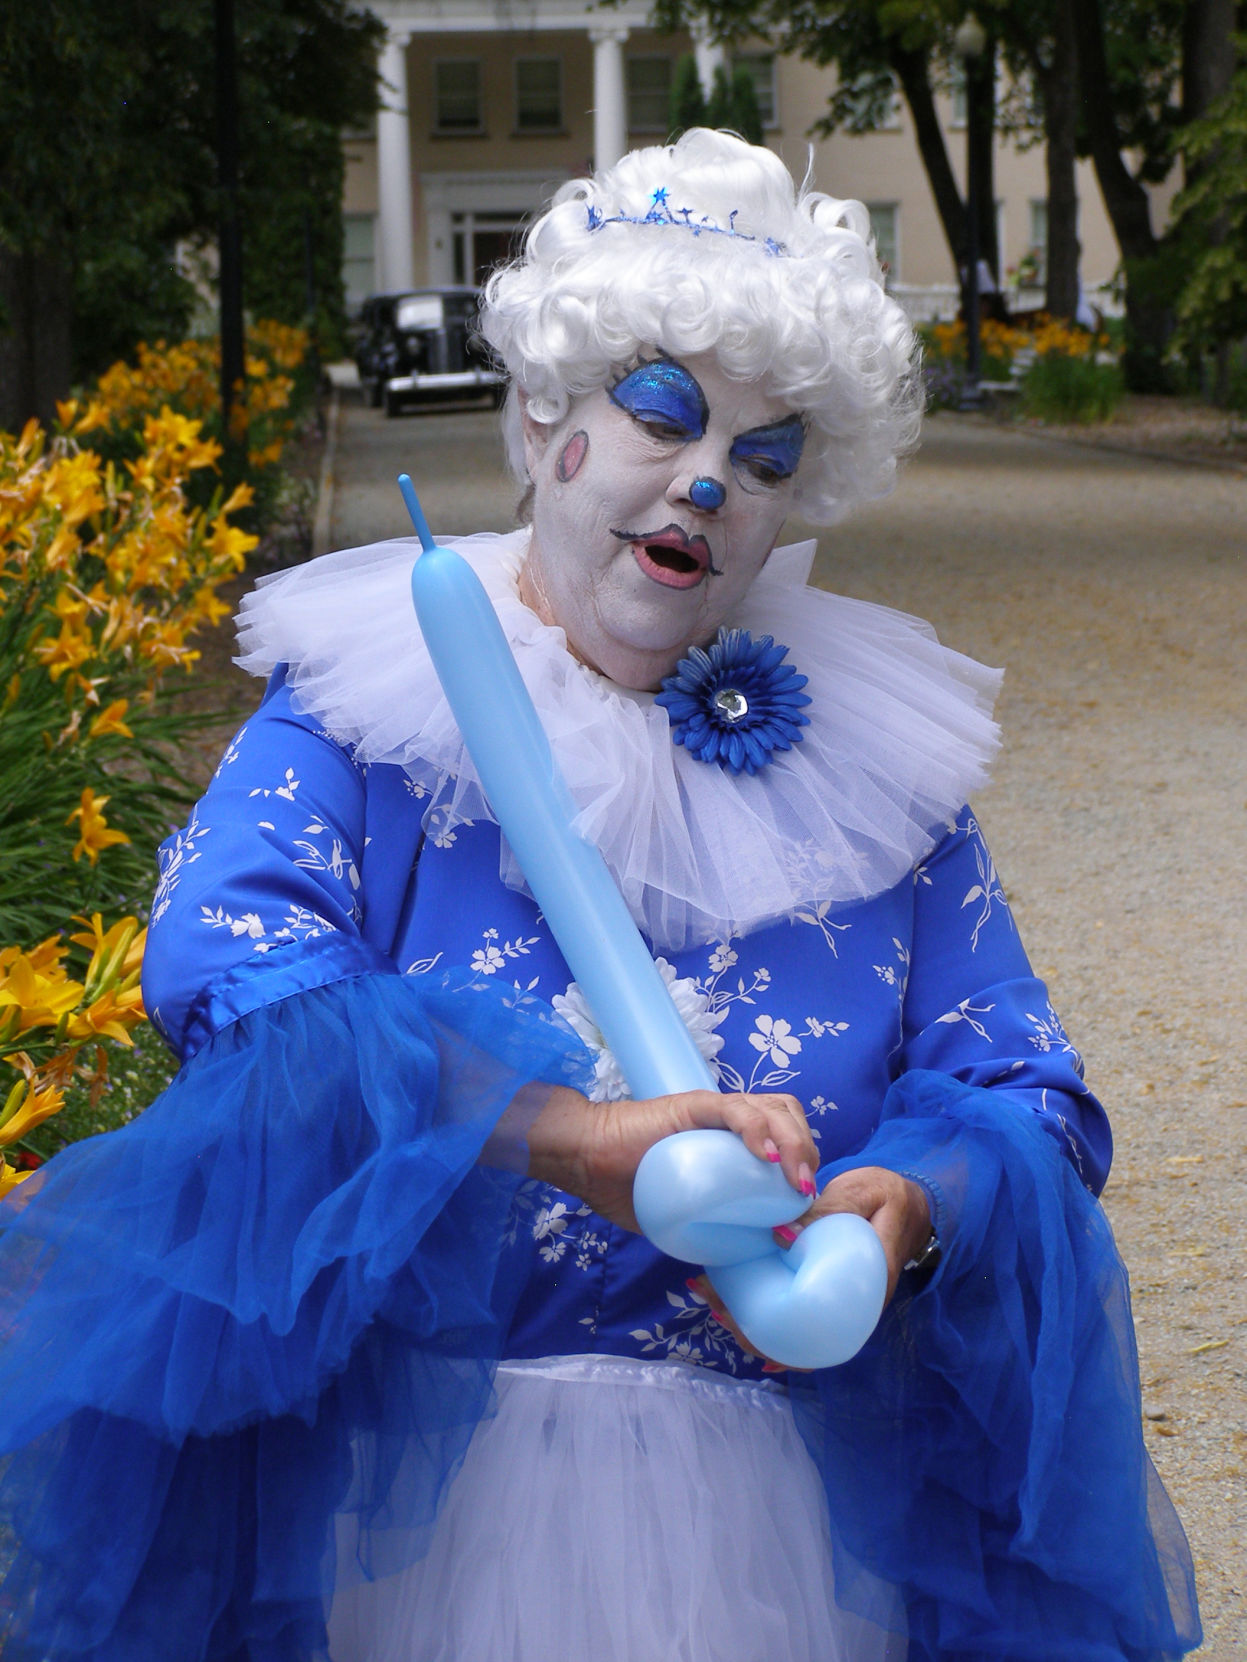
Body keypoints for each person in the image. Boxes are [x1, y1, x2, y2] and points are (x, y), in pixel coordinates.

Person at [0, 130, 1199, 1662]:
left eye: (765, 455)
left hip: (797, 1555)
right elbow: (232, 965)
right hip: (413, 1525)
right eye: (662, 410)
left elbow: (1023, 1086)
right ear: (538, 413)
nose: (709, 475)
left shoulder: (883, 779)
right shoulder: (370, 713)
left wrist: (900, 1211)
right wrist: (573, 1141)